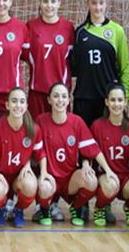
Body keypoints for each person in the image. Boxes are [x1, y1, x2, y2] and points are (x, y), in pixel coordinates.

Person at [34, 82, 117, 226]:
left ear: (69, 100)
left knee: (91, 180)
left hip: (69, 179)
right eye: (56, 96)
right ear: (49, 100)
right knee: (43, 187)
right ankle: (45, 209)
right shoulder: (41, 121)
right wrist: (41, 173)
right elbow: (37, 151)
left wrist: (108, 170)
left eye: (64, 96)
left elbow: (93, 149)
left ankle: (76, 207)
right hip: (50, 177)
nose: (60, 100)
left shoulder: (76, 122)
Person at [0, 88, 48, 228]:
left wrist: (43, 173)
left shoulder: (33, 129)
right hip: (1, 175)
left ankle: (18, 210)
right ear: (7, 105)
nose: (18, 105)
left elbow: (40, 154)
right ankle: (0, 210)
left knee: (31, 185)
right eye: (14, 101)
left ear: (26, 106)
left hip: (19, 177)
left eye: (22, 102)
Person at [90, 83, 129, 227]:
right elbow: (89, 154)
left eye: (119, 100)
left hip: (126, 178)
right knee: (111, 184)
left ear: (125, 102)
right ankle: (100, 207)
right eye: (112, 100)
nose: (116, 104)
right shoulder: (97, 126)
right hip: (105, 177)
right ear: (106, 102)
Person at [71, 0, 129, 127]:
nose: (98, 7)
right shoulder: (80, 32)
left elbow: (125, 65)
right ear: (87, 4)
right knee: (83, 144)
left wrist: (126, 95)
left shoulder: (117, 31)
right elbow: (75, 67)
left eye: (101, 3)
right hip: (84, 98)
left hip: (107, 99)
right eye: (94, 3)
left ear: (106, 3)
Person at [25, 0, 74, 120]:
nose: (49, 5)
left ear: (59, 3)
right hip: (37, 92)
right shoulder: (31, 26)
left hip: (60, 94)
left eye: (53, 1)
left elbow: (72, 60)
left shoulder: (68, 28)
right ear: (40, 3)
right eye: (45, 1)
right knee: (36, 132)